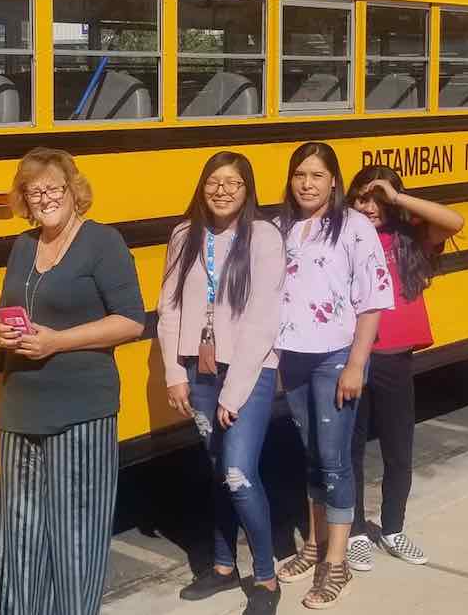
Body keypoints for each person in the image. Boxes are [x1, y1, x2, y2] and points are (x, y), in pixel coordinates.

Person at [0, 147, 146, 615]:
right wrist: (0, 328)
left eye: (53, 188)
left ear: (73, 191)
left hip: (81, 409)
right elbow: (3, 309)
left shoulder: (103, 243)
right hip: (20, 409)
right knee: (18, 539)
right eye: (33, 191)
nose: (44, 198)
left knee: (76, 537)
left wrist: (57, 342)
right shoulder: (23, 246)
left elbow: (132, 321)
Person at [157, 151, 285, 615]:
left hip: (248, 372)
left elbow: (264, 319)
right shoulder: (184, 235)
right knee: (217, 470)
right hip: (200, 369)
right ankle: (224, 566)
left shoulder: (264, 237)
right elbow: (169, 308)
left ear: (248, 189)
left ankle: (266, 580)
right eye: (213, 181)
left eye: (233, 182)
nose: (222, 190)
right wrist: (174, 373)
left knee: (238, 472)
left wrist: (233, 395)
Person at [273, 142, 392, 609]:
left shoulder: (354, 227)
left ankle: (337, 560)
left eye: (317, 176)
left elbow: (374, 299)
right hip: (293, 356)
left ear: (334, 182)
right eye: (300, 174)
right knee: (311, 454)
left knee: (336, 458)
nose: (307, 183)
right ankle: (315, 544)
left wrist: (357, 364)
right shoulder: (280, 227)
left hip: (336, 357)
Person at [343, 165, 464, 572]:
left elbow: (455, 221)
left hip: (395, 357)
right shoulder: (343, 237)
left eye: (380, 198)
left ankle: (392, 528)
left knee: (399, 449)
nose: (371, 205)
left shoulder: (407, 238)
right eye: (363, 196)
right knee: (350, 449)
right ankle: (357, 532)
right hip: (350, 357)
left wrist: (396, 198)